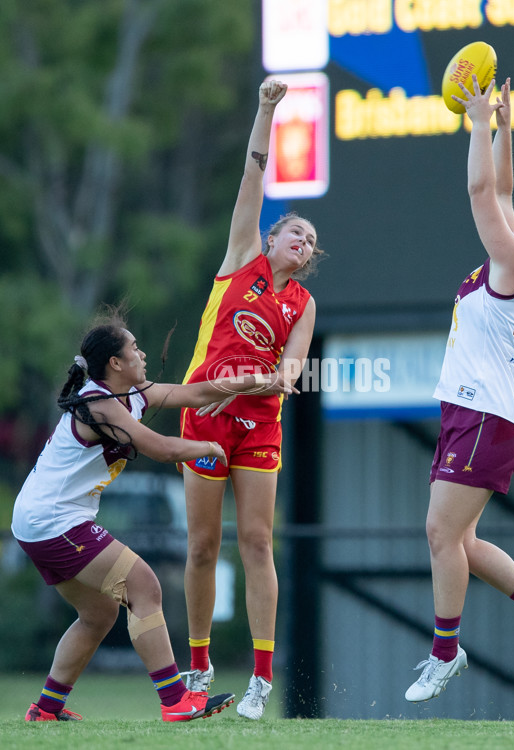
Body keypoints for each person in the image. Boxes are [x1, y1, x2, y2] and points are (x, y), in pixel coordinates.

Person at [11, 307, 295, 722]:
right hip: (53, 521)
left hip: (41, 520)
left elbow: (197, 393)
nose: (143, 355)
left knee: (99, 613)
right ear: (115, 363)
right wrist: (208, 448)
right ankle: (175, 701)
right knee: (144, 586)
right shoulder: (101, 402)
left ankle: (46, 709)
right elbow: (161, 448)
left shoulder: (131, 395)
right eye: (135, 348)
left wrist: (261, 380)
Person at [404, 76, 514, 703]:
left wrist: (476, 121)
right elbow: (502, 188)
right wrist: (505, 124)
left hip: (484, 415)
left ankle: (444, 653)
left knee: (440, 535)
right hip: (480, 412)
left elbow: (482, 191)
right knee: (462, 541)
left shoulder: (512, 266)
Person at [179, 79, 324, 720]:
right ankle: (200, 667)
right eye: (295, 231)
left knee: (258, 544)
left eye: (311, 240)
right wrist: (265, 110)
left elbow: (292, 370)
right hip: (206, 413)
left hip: (259, 421)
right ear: (269, 239)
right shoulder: (243, 258)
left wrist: (274, 379)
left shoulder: (303, 302)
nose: (304, 240)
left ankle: (262, 679)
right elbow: (252, 178)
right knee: (202, 546)